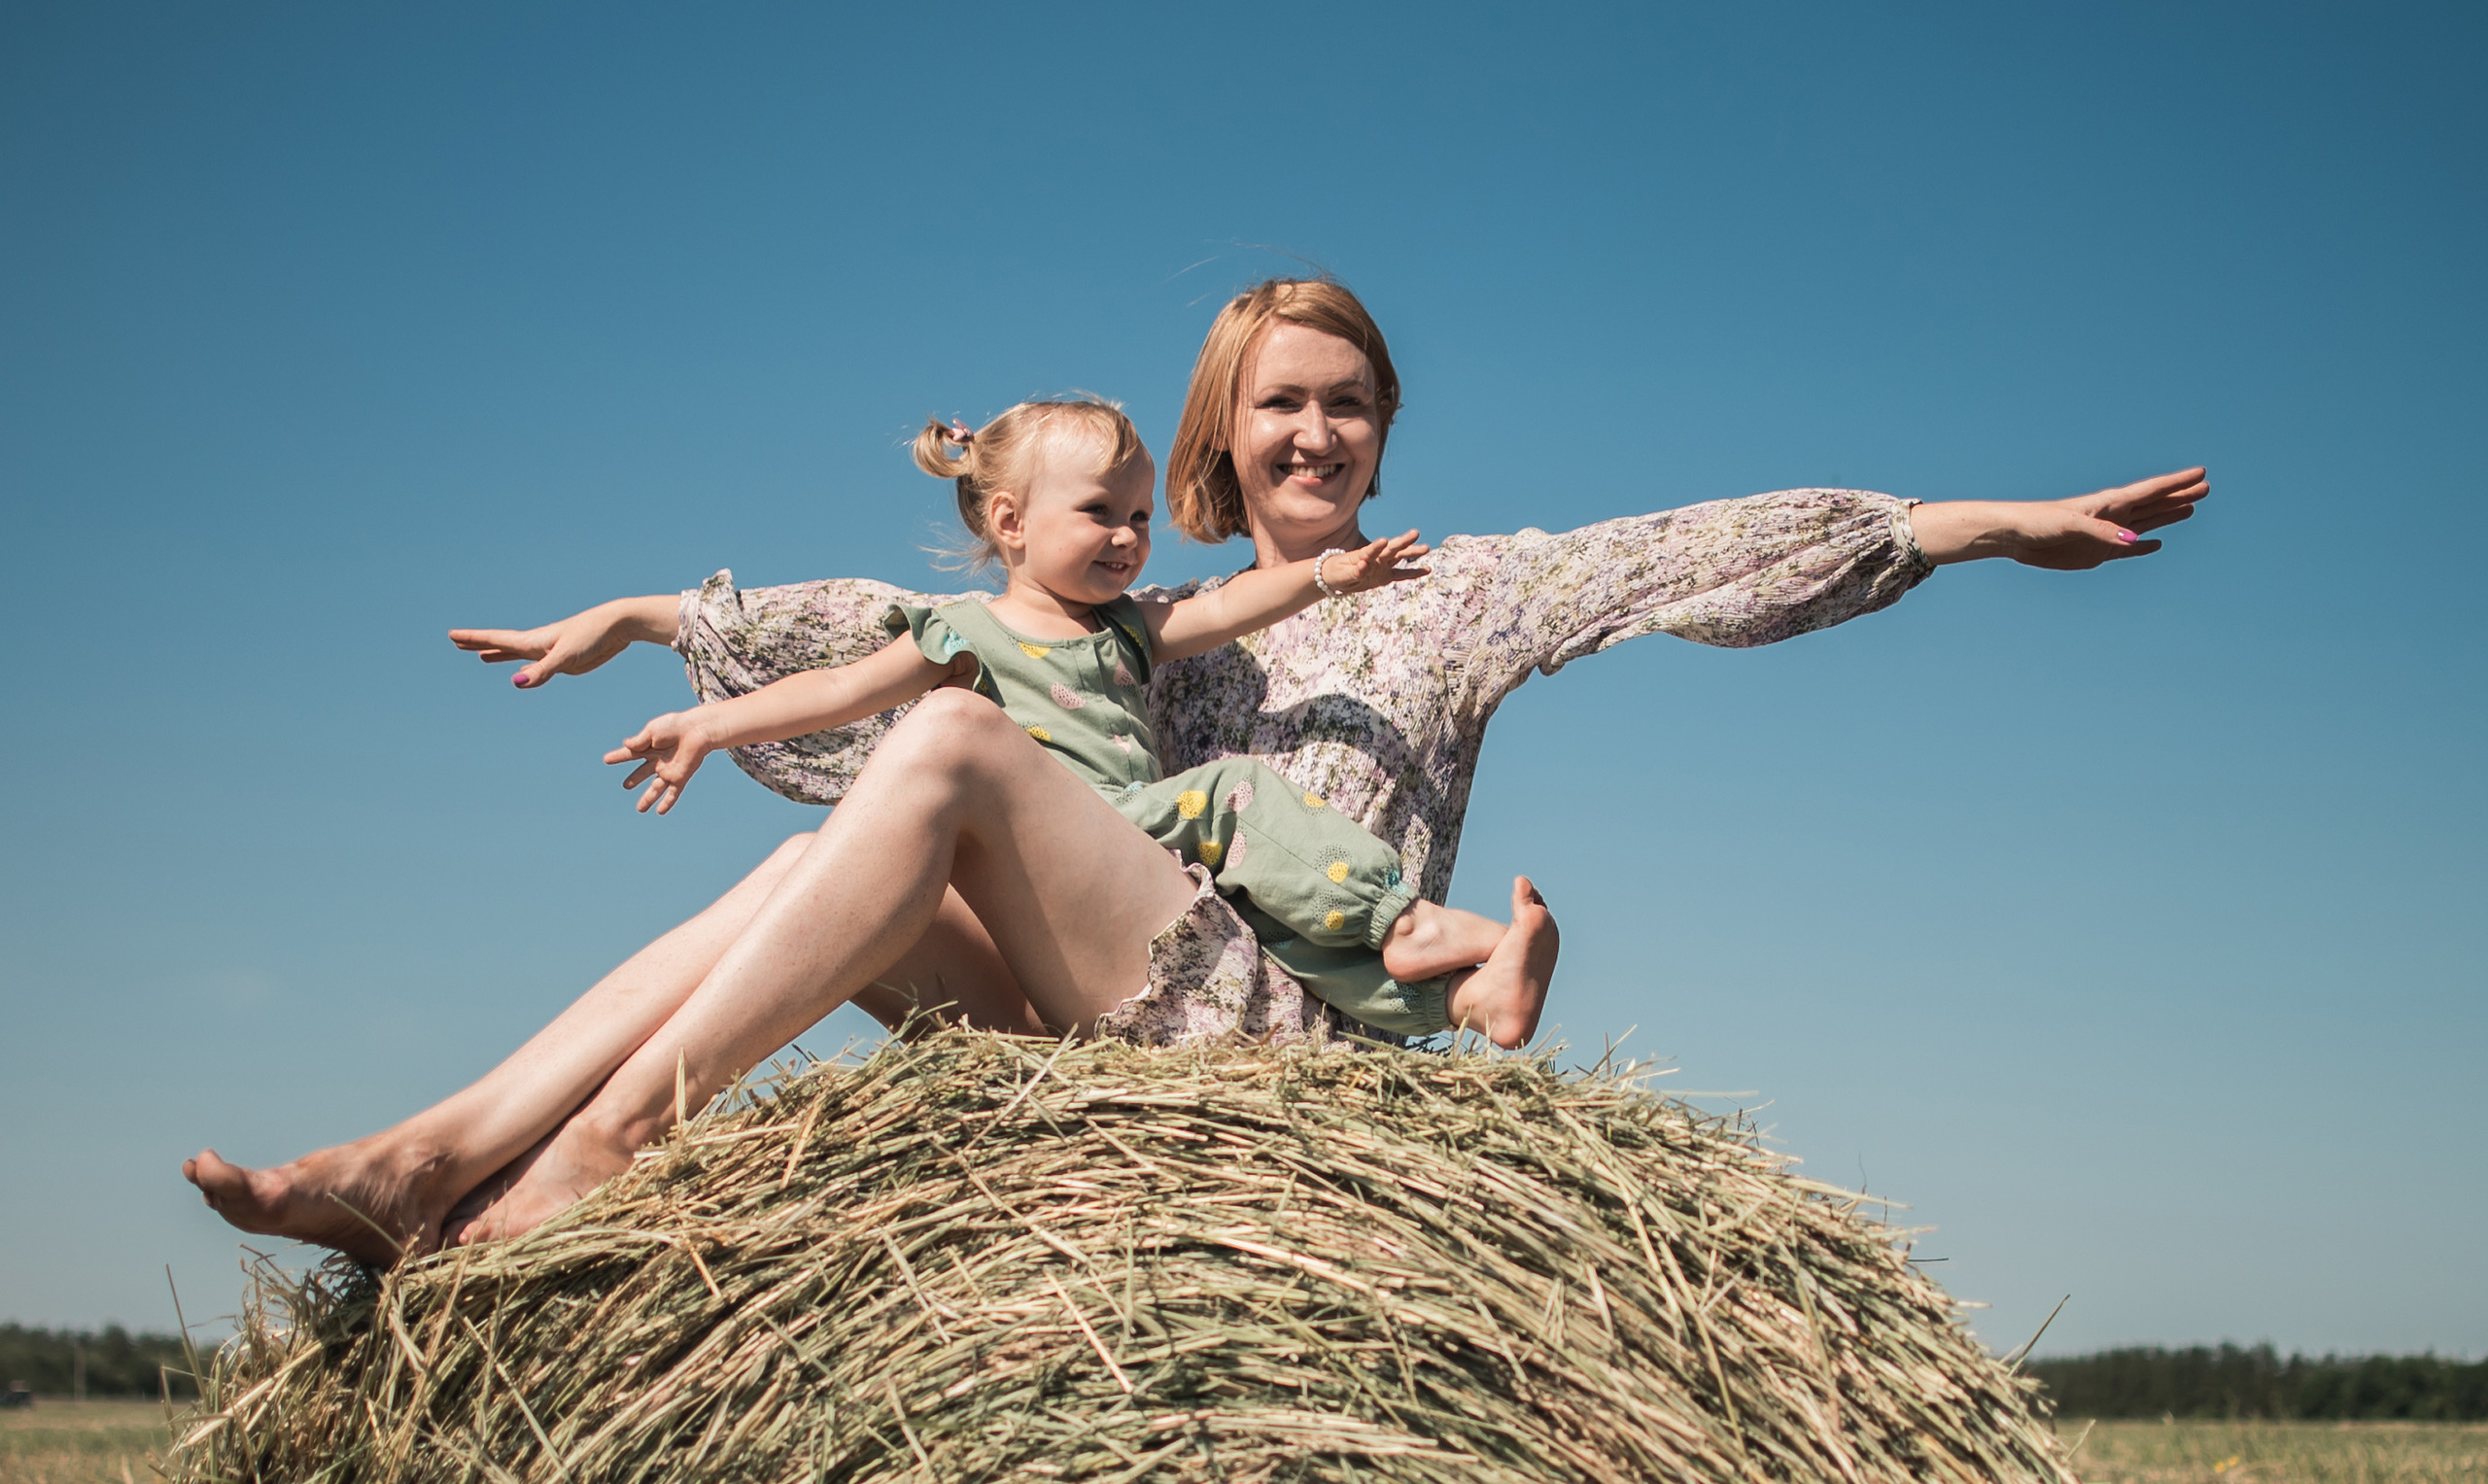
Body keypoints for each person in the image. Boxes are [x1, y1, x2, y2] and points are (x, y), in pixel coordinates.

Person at [189, 276, 2206, 1265]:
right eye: (1276, 411)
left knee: (952, 749)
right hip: (1093, 1022)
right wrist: (648, 623)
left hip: (1280, 1047)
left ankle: (585, 1159)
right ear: (1219, 443)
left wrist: (1968, 522)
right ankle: (431, 1165)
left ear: (1384, 428)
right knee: (854, 828)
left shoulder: (1463, 591)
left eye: (1344, 404)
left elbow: (1684, 548)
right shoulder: (1130, 603)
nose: (1312, 437)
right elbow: (894, 627)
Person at [609, 393, 1556, 1042]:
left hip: (1129, 859)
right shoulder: (961, 631)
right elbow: (832, 690)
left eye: (1141, 519)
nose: (1128, 538)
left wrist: (1324, 574)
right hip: (1066, 835)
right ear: (1012, 522)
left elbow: (1229, 607)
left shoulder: (1129, 627)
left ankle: (1469, 1000)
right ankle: (1406, 921)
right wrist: (710, 724)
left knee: (1276, 922)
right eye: (1102, 511)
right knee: (1231, 794)